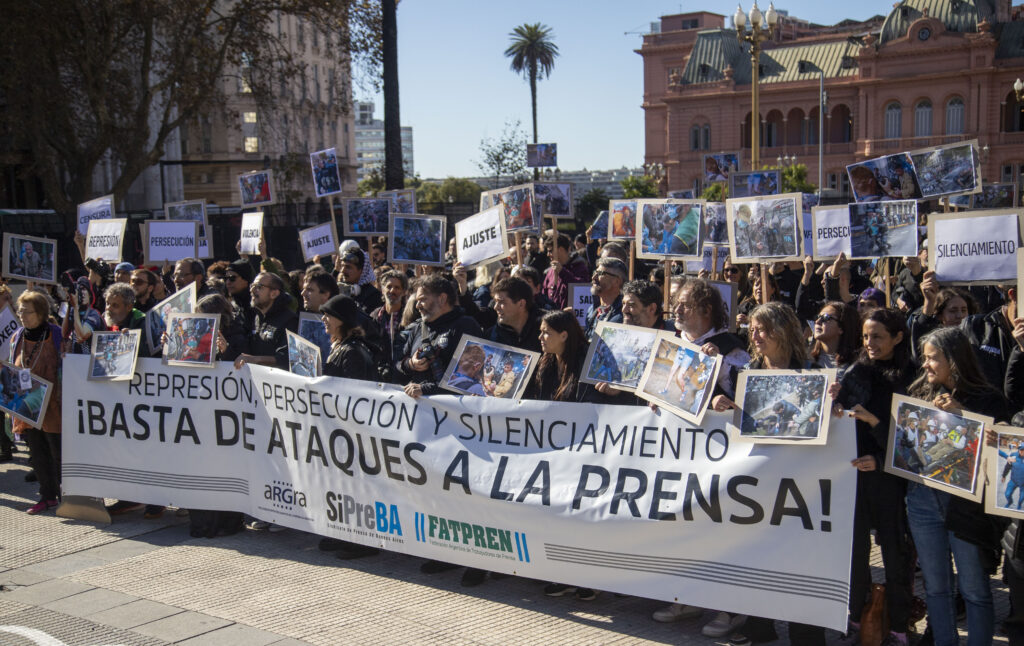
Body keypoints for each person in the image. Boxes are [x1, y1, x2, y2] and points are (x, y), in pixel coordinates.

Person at [710, 302, 826, 646]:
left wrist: (832, 402)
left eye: (762, 329)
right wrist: (718, 400)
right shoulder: (748, 372)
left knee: (801, 559)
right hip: (760, 478)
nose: (754, 335)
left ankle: (807, 634)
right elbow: (733, 409)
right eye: (753, 330)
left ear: (782, 331)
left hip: (801, 480)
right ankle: (760, 626)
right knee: (759, 553)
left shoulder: (812, 371)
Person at [906, 327, 1010, 646]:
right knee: (936, 587)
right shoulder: (920, 394)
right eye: (925, 359)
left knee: (974, 588)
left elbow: (1003, 444)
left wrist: (960, 415)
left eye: (933, 358)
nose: (926, 365)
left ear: (954, 360)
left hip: (967, 506)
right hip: (923, 499)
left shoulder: (988, 398)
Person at [832, 308, 916, 646]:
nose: (869, 343)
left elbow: (914, 443)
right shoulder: (855, 372)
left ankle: (897, 628)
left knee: (896, 557)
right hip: (855, 477)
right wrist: (833, 403)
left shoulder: (911, 378)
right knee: (855, 556)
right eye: (866, 336)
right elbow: (835, 422)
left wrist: (877, 439)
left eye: (878, 336)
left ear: (898, 337)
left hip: (892, 482)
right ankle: (856, 621)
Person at [10, 291, 63, 515]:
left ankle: (67, 495)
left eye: (27, 311)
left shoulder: (56, 334)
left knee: (57, 452)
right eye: (20, 310)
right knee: (37, 452)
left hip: (53, 404)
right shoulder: (18, 336)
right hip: (28, 403)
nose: (22, 315)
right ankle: (47, 496)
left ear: (41, 313)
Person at [233, 272, 298, 371]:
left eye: (258, 287)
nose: (252, 290)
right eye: (252, 286)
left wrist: (253, 360)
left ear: (274, 293)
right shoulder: (257, 317)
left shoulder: (289, 320)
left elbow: (285, 359)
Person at [584, 257, 627, 340]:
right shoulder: (592, 310)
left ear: (617, 281)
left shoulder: (624, 314)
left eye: (601, 273)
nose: (594, 277)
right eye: (595, 272)